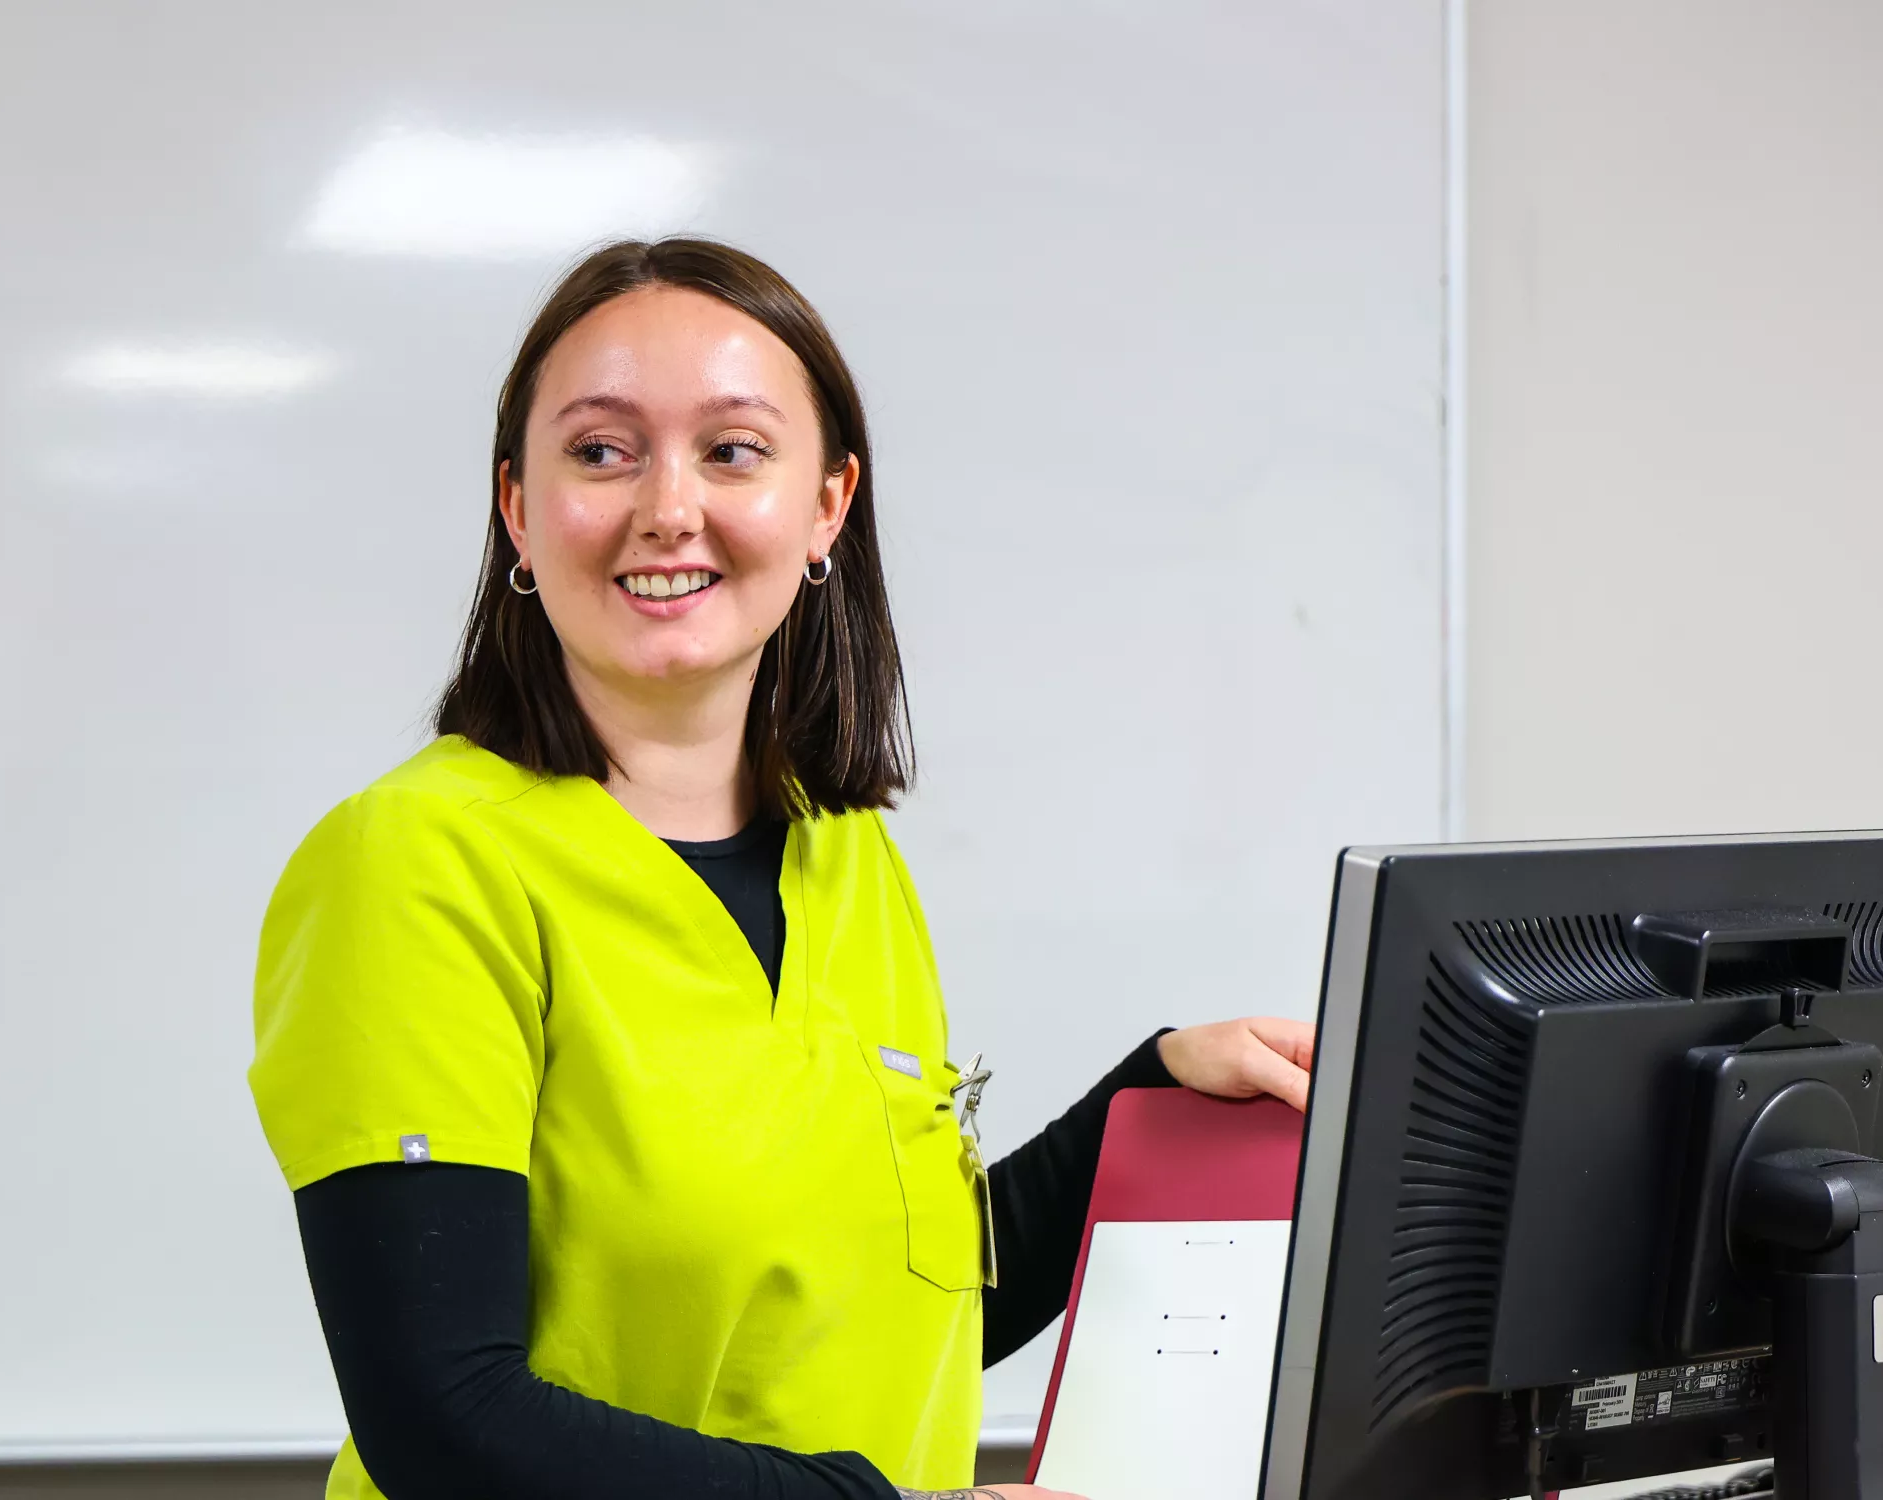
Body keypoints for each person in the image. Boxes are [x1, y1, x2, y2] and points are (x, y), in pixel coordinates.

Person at [247, 238, 1314, 1500]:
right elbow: (446, 1421)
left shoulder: (843, 851)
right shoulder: (414, 864)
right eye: (600, 451)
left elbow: (900, 1314)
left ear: (825, 507)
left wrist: (1151, 1101)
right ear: (518, 511)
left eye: (731, 450)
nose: (665, 508)